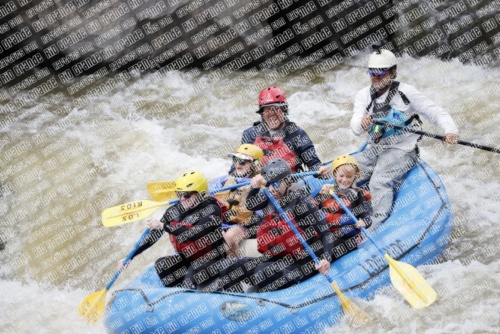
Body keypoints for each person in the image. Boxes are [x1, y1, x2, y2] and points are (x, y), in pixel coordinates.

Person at [350, 46, 459, 228]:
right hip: (376, 148)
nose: (376, 77)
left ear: (393, 73)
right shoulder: (363, 95)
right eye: (372, 73)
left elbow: (435, 112)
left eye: (381, 73)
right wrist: (362, 124)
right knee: (348, 169)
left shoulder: (406, 92)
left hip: (403, 149)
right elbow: (355, 127)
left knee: (379, 181)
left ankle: (376, 224)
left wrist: (450, 131)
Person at [219, 158, 336, 293]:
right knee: (227, 266)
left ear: (287, 181)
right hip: (273, 260)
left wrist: (326, 260)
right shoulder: (269, 197)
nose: (271, 189)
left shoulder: (302, 203)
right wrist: (255, 188)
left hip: (300, 265)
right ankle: (236, 302)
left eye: (276, 184)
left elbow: (326, 233)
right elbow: (251, 204)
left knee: (261, 271)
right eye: (268, 184)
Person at [119, 170, 227, 291]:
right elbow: (153, 236)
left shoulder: (212, 209)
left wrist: (165, 226)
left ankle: (191, 289)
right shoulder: (174, 211)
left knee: (194, 273)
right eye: (179, 193)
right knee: (162, 264)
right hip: (186, 259)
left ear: (200, 194)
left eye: (186, 194)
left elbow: (197, 233)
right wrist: (131, 256)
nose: (182, 198)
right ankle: (174, 295)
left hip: (211, 261)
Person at [240, 86, 322, 172]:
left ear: (284, 111)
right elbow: (239, 168)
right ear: (262, 114)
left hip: (290, 183)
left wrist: (320, 171)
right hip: (259, 183)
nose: (272, 113)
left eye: (276, 109)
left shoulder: (298, 135)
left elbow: (315, 166)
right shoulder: (250, 135)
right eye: (267, 110)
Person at [210, 144, 264, 257]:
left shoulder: (261, 184)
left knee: (229, 238)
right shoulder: (222, 181)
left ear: (255, 164)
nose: (238, 164)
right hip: (222, 223)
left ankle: (234, 271)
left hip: (246, 226)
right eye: (236, 160)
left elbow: (260, 215)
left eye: (243, 162)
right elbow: (208, 202)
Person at [316, 155, 373, 256]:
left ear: (355, 177)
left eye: (349, 177)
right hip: (326, 236)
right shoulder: (328, 190)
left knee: (321, 250)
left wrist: (363, 222)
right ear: (335, 176)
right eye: (341, 176)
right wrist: (320, 195)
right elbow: (312, 209)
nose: (344, 180)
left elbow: (367, 217)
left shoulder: (357, 194)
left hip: (347, 240)